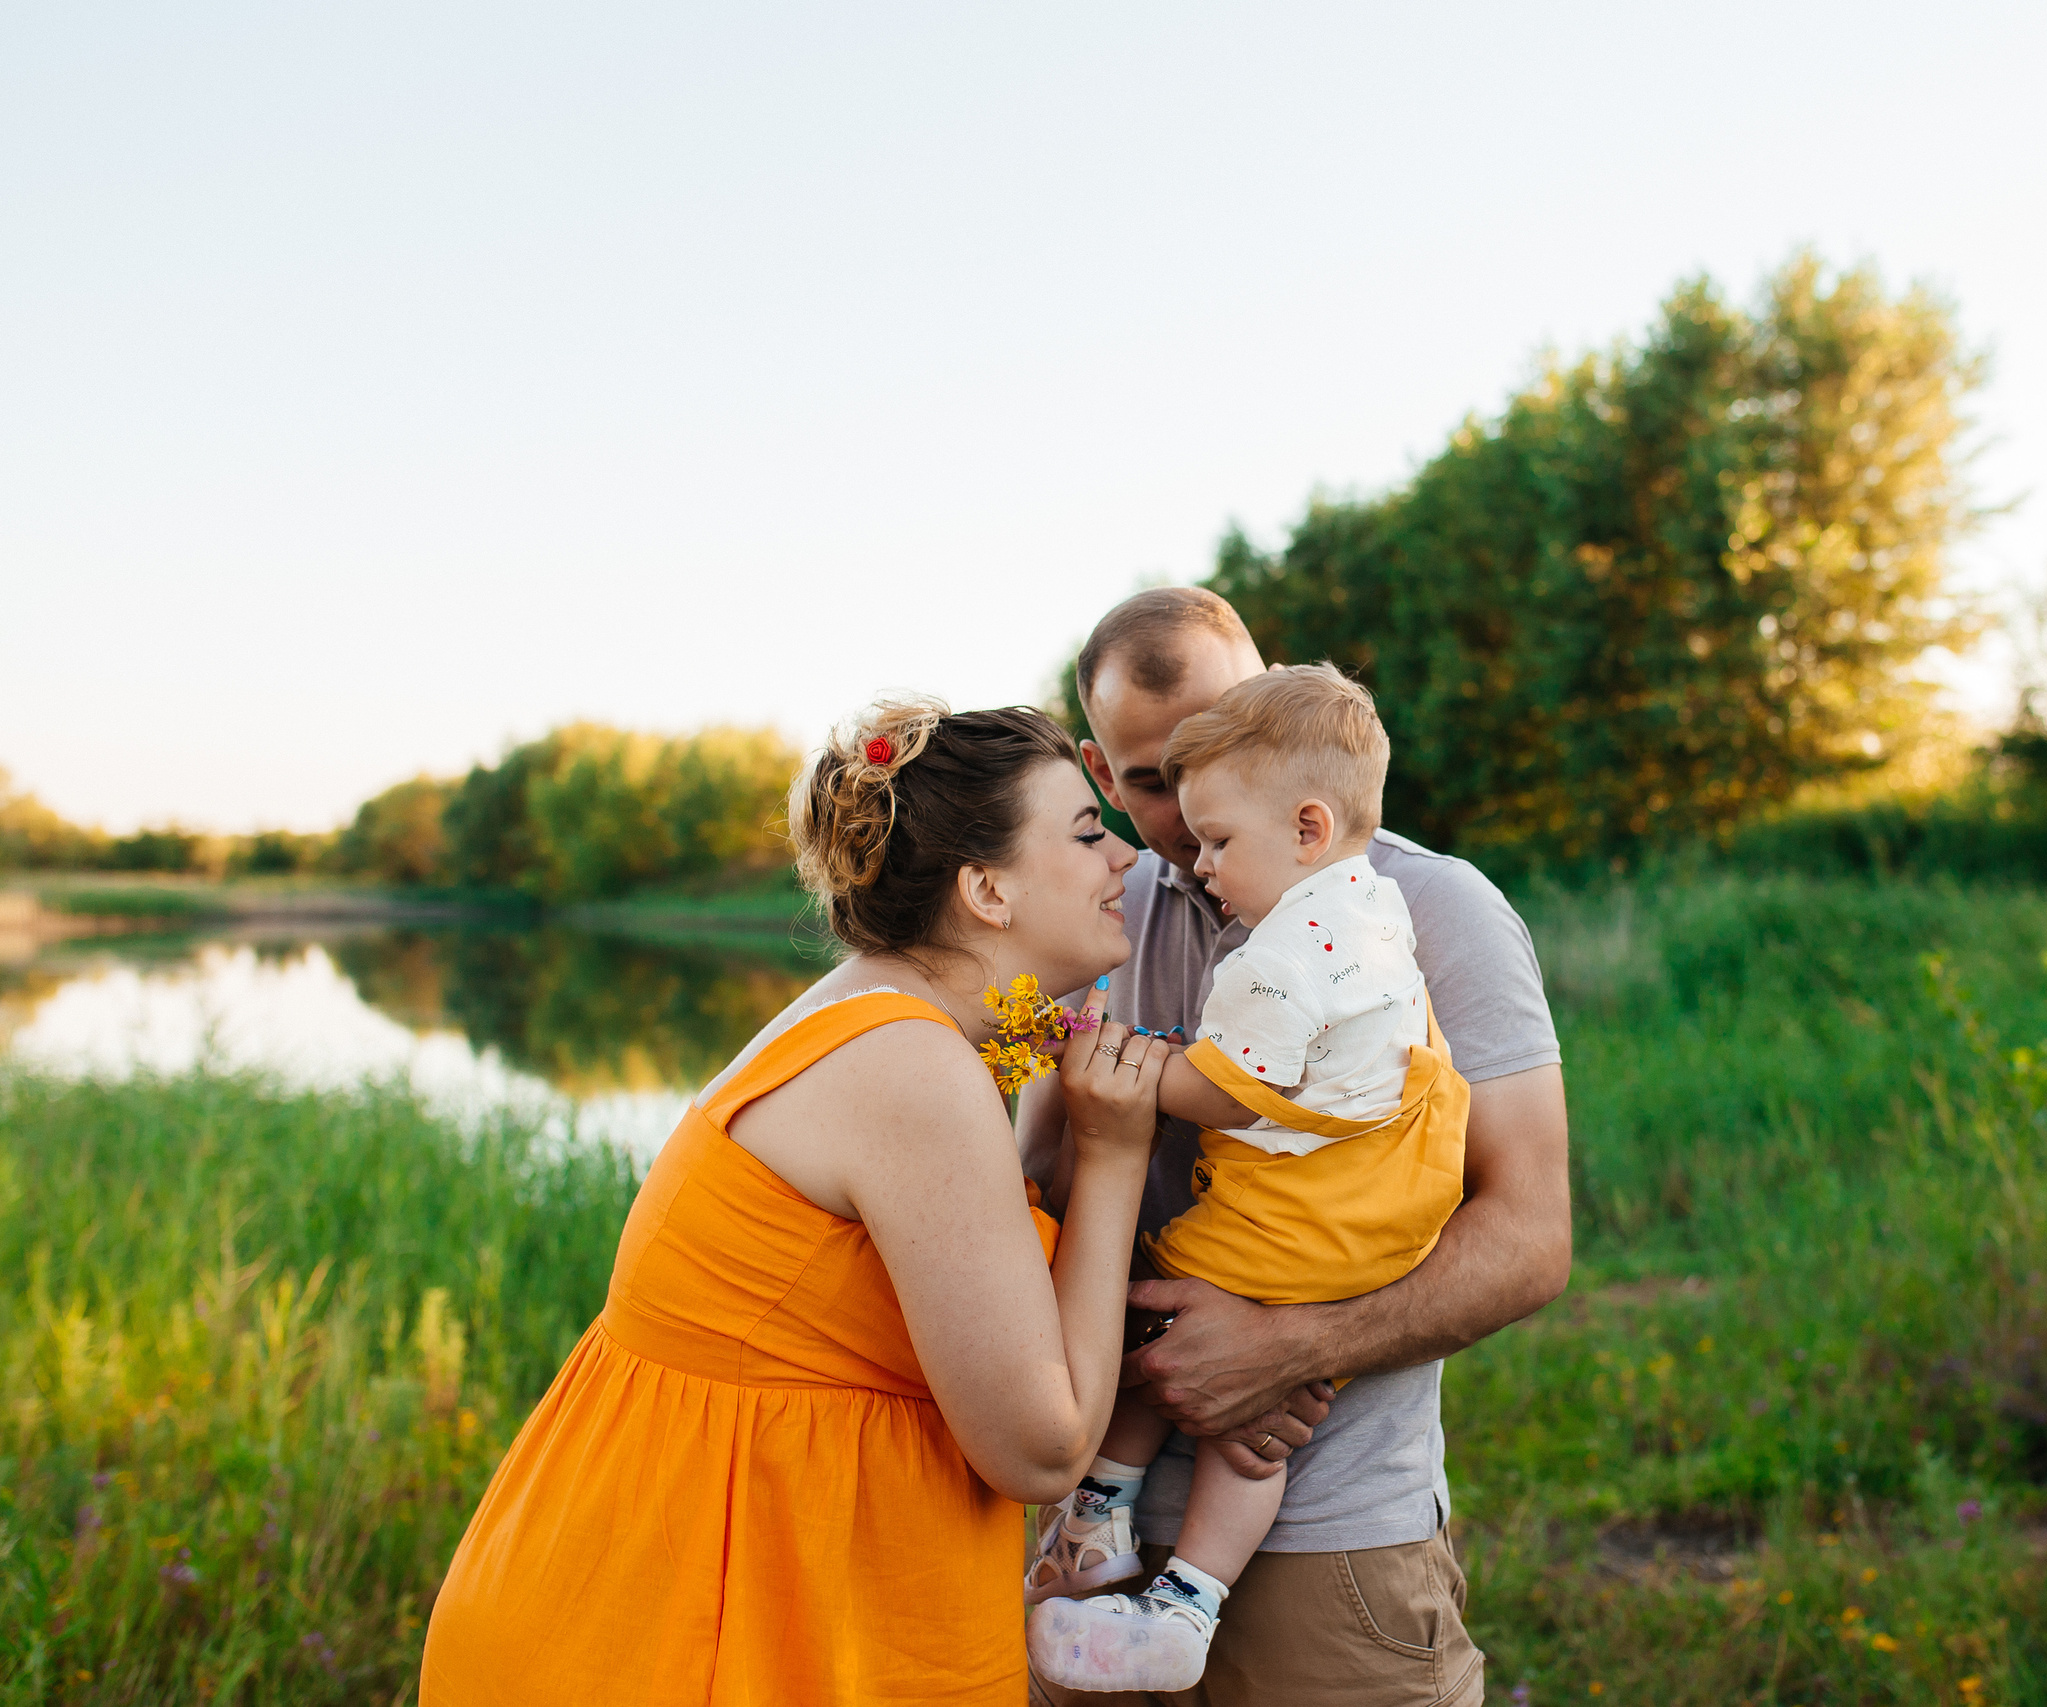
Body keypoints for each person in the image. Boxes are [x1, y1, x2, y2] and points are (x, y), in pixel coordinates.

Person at [421, 700, 1180, 1706]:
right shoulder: (907, 1063)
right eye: (1087, 832)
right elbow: (1040, 1444)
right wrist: (1116, 1151)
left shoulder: (874, 1019)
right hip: (694, 1625)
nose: (1124, 855)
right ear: (987, 888)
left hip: (671, 1579)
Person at [1017, 589, 1572, 1707]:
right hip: (1088, 1523)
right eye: (1149, 779)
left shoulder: (1427, 910)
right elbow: (1040, 1188)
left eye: (1223, 743)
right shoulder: (1095, 915)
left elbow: (1529, 1237)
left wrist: (1294, 1343)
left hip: (1328, 1538)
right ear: (1095, 767)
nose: (1186, 809)